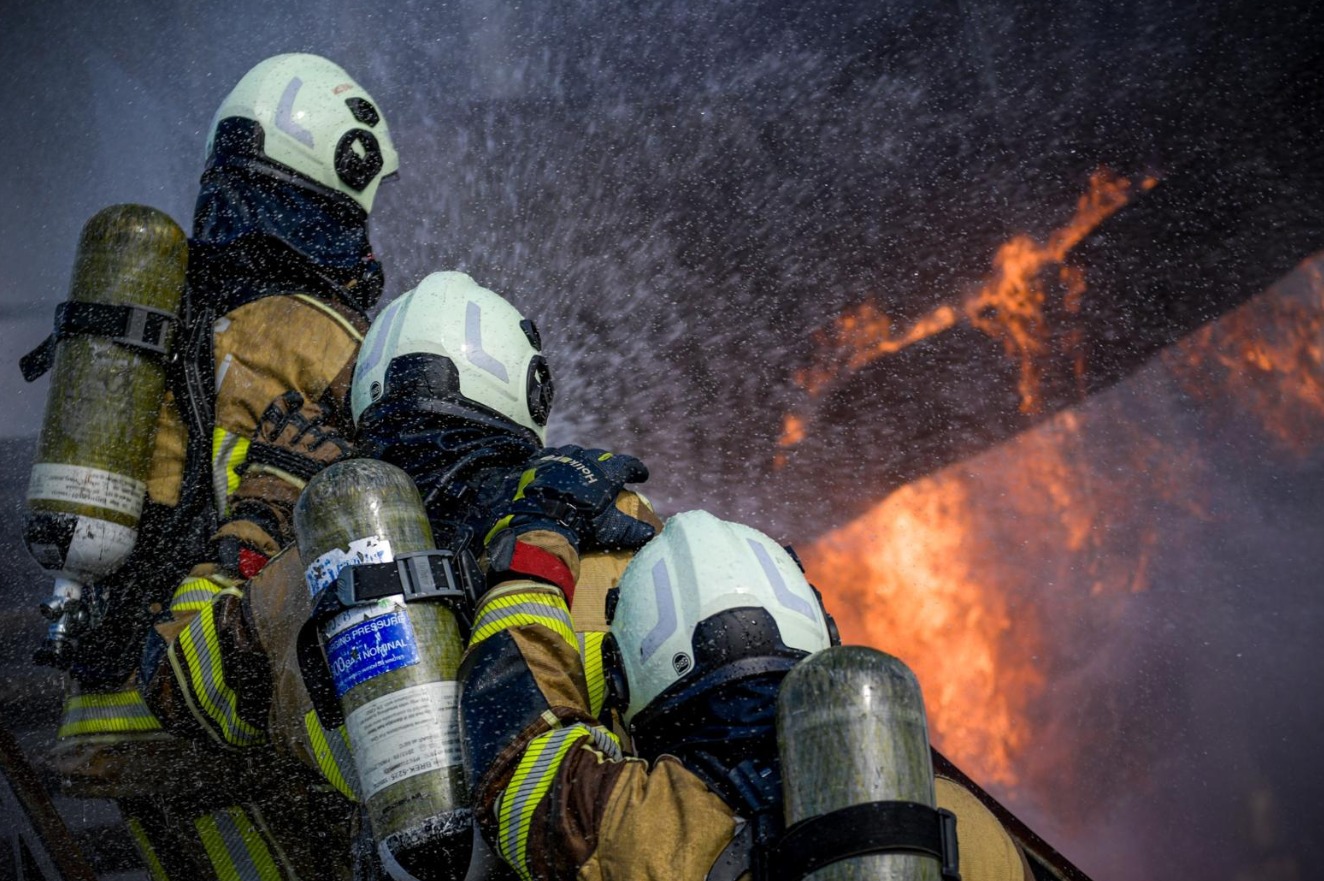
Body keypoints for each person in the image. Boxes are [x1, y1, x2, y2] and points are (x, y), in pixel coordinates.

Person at [141, 270, 660, 880]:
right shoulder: (602, 516)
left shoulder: (314, 563)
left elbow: (175, 681)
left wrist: (261, 511)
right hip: (569, 852)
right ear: (529, 391)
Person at [46, 52, 399, 881]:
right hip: (202, 706)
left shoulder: (171, 318)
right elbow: (400, 473)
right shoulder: (308, 334)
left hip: (116, 704)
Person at [458, 507, 1037, 881]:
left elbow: (513, 748)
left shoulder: (653, 827)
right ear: (820, 638)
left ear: (624, 678)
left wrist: (536, 546)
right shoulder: (960, 821)